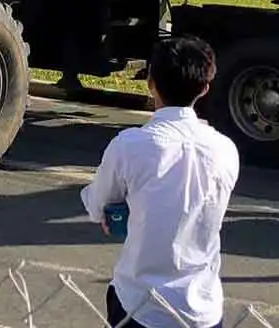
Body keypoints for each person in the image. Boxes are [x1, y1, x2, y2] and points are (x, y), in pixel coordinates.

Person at [80, 35, 240, 328]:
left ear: (150, 81)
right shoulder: (225, 149)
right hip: (203, 308)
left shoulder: (130, 145)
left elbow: (96, 205)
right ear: (205, 88)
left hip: (140, 305)